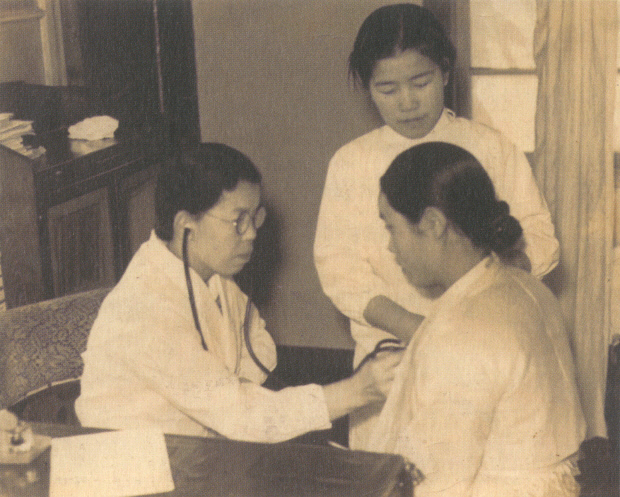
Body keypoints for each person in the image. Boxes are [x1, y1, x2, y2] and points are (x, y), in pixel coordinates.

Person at [313, 3, 559, 449]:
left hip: (485, 350)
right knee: (394, 465)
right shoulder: (351, 163)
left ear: (445, 72)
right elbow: (339, 270)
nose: (407, 102)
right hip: (392, 356)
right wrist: (416, 328)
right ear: (367, 88)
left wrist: (482, 302)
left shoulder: (490, 147)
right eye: (387, 88)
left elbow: (540, 239)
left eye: (421, 82)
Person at [75, 143, 401, 443]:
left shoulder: (214, 277)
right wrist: (358, 390)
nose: (252, 234)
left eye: (255, 217)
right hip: (134, 464)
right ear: (185, 225)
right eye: (238, 220)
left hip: (199, 448)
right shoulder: (145, 310)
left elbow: (256, 348)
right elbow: (243, 416)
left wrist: (242, 399)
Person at [366, 141, 585, 497]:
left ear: (433, 223)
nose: (390, 247)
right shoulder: (526, 286)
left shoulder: (461, 331)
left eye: (392, 228)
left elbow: (439, 487)